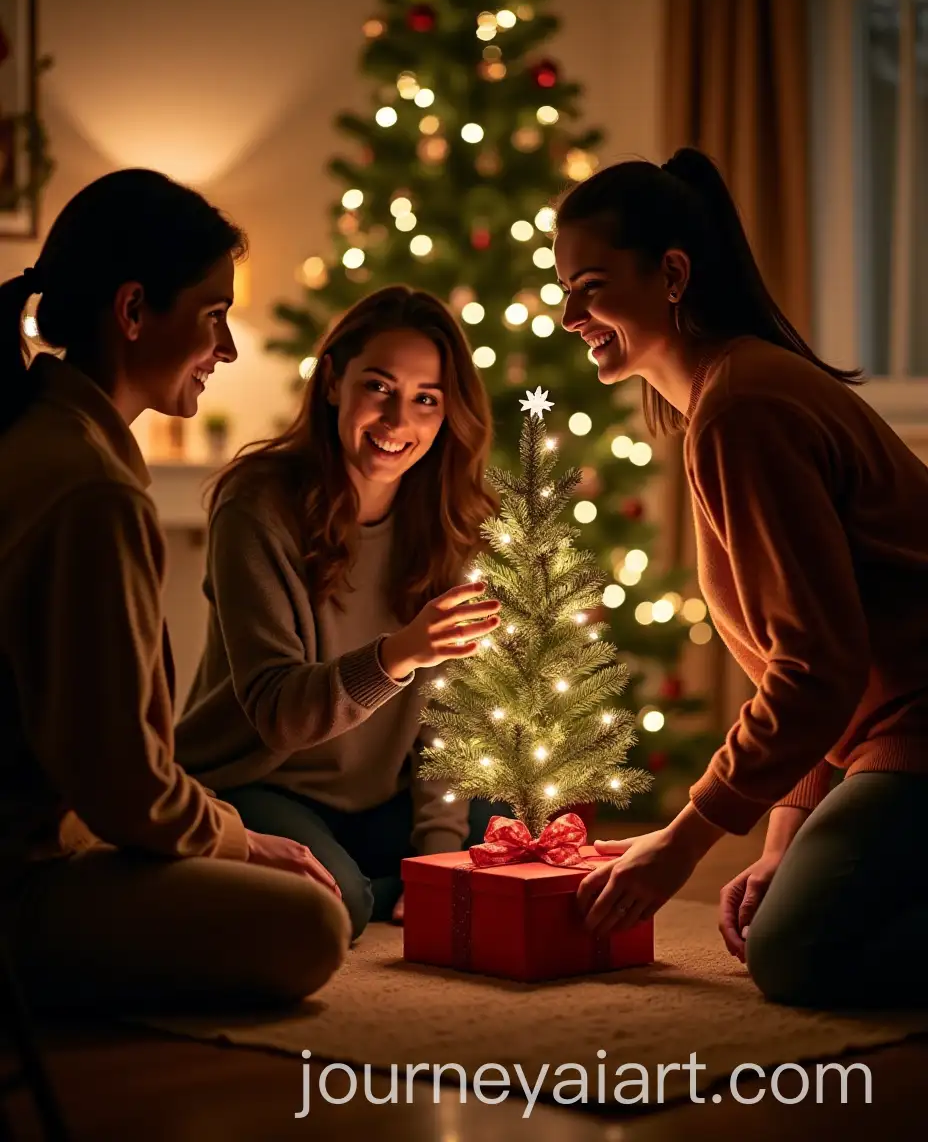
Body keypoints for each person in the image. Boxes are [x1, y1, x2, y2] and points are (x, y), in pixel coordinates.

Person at [553, 148, 928, 1009]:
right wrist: (781, 840)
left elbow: (818, 669)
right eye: (566, 288)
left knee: (799, 957)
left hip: (919, 729)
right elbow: (803, 662)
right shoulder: (728, 398)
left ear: (673, 274)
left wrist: (685, 840)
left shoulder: (744, 410)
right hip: (876, 738)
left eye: (592, 285)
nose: (570, 314)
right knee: (791, 921)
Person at [0, 169, 351, 1014]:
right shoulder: (92, 491)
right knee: (310, 920)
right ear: (131, 312)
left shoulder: (40, 437)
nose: (226, 350)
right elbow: (126, 790)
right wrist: (238, 841)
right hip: (24, 879)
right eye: (212, 316)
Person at [175, 285, 505, 940]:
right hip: (258, 782)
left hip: (375, 796)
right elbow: (278, 711)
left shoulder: (453, 525)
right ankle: (368, 890)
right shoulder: (257, 505)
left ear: (447, 415)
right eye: (377, 387)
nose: (396, 420)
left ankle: (384, 879)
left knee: (502, 833)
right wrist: (400, 652)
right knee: (334, 908)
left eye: (425, 400)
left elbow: (445, 728)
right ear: (332, 382)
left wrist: (436, 857)